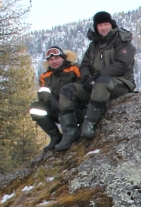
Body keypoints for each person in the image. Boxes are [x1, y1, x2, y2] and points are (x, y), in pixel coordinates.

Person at [55, 11, 136, 151]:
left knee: (102, 83)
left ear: (111, 24)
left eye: (106, 24)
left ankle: (89, 124)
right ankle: (69, 133)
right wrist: (86, 78)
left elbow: (122, 64)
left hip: (120, 83)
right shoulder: (94, 45)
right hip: (96, 83)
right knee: (68, 90)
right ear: (96, 27)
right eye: (100, 25)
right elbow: (85, 64)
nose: (103, 28)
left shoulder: (122, 40)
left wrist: (98, 76)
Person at [28, 47, 82, 151]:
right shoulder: (45, 76)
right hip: (58, 110)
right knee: (35, 108)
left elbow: (84, 85)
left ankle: (70, 134)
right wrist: (51, 100)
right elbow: (43, 92)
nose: (54, 62)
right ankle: (55, 137)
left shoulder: (74, 69)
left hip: (76, 109)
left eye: (56, 58)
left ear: (63, 58)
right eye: (51, 60)